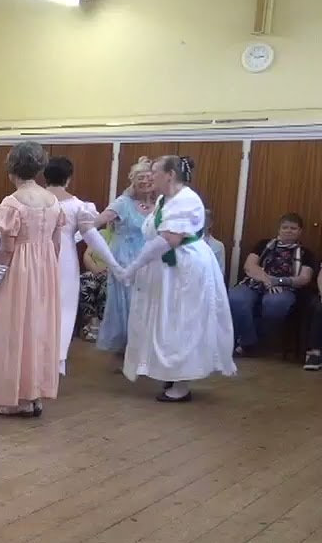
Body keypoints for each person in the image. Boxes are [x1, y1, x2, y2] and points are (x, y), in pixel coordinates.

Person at [118, 156, 235, 401]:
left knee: (183, 321)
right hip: (168, 271)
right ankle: (171, 371)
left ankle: (182, 383)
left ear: (170, 175)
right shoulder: (164, 199)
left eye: (155, 172)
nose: (151, 176)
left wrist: (133, 266)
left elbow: (169, 239)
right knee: (167, 320)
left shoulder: (187, 200)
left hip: (185, 270)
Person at [0, 142, 63, 416]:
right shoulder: (53, 201)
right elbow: (56, 245)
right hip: (45, 271)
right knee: (38, 329)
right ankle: (34, 394)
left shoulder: (11, 204)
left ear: (12, 167)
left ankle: (18, 398)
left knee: (13, 329)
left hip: (18, 272)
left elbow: (7, 249)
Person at [44, 156, 117, 374]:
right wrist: (113, 263)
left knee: (37, 305)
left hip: (36, 258)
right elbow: (92, 237)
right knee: (64, 309)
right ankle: (57, 361)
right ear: (68, 178)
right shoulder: (78, 206)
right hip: (65, 260)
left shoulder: (34, 201)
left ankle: (36, 355)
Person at [227, 213, 316, 355]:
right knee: (235, 298)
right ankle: (248, 342)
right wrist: (268, 281)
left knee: (275, 303)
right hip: (254, 283)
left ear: (300, 232)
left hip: (285, 288)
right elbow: (249, 266)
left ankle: (262, 341)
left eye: (293, 228)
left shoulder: (306, 253)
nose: (288, 230)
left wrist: (278, 281)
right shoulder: (263, 245)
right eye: (285, 227)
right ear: (279, 230)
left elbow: (304, 278)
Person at [96, 156, 155, 353]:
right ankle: (127, 346)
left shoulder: (160, 204)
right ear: (132, 180)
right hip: (124, 259)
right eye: (140, 177)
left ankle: (143, 345)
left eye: (148, 176)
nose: (145, 181)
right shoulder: (123, 202)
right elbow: (100, 220)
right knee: (127, 303)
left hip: (150, 261)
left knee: (147, 303)